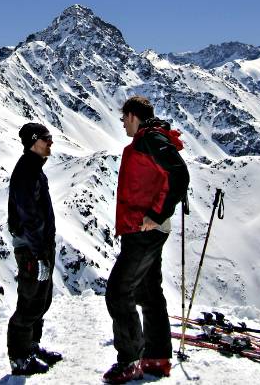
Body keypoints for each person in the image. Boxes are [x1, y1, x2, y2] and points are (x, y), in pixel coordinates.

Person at [103, 96, 190, 384]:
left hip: (143, 231)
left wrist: (157, 212)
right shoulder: (150, 138)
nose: (122, 126)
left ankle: (130, 361)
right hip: (144, 229)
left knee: (118, 292)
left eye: (122, 119)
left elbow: (179, 174)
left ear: (131, 116)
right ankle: (157, 357)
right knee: (148, 292)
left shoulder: (149, 139)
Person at [6, 122, 63, 376]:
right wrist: (39, 253)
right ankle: (19, 357)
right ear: (33, 140)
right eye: (46, 138)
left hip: (40, 244)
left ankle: (31, 345)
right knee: (30, 301)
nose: (51, 142)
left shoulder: (35, 168)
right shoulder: (26, 171)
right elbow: (28, 214)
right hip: (31, 247)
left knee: (41, 299)